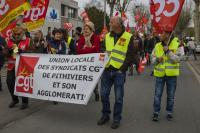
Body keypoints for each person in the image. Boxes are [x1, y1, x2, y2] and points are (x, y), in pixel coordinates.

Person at [97, 16, 138, 129]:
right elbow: (101, 49)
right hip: (107, 70)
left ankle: (116, 118)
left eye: (111, 22)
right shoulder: (107, 36)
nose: (109, 24)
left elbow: (130, 55)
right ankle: (105, 114)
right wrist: (103, 52)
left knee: (119, 97)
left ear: (119, 24)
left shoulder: (128, 36)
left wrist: (122, 69)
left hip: (119, 72)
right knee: (104, 95)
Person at [151, 31, 184, 121]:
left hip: (171, 75)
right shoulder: (157, 45)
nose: (160, 35)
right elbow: (152, 59)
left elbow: (180, 58)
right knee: (157, 95)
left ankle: (169, 112)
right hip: (160, 74)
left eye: (162, 34)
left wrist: (168, 52)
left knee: (171, 95)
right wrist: (157, 59)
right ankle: (156, 112)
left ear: (168, 35)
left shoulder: (177, 43)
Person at [6, 24, 33, 109]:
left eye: (19, 34)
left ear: (23, 33)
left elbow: (33, 52)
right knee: (9, 83)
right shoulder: (9, 41)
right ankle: (15, 99)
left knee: (23, 83)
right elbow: (4, 53)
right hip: (11, 66)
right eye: (15, 34)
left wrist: (22, 52)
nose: (17, 36)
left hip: (23, 67)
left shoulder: (28, 40)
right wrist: (8, 52)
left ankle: (25, 101)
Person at [76, 21, 100, 101]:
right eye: (84, 29)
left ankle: (95, 91)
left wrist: (85, 48)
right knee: (84, 79)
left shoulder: (96, 38)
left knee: (92, 78)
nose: (85, 30)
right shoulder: (82, 38)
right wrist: (90, 48)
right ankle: (85, 94)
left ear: (91, 30)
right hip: (84, 62)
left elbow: (96, 50)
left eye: (87, 29)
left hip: (93, 63)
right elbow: (79, 51)